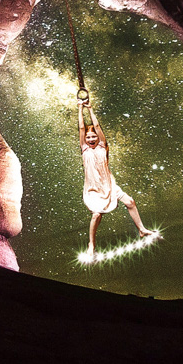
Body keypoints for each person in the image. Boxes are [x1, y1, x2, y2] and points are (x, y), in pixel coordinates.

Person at [77, 99, 153, 256]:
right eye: (88, 137)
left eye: (93, 137)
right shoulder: (85, 149)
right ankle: (91, 244)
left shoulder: (102, 147)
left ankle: (142, 230)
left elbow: (96, 126)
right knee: (96, 215)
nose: (91, 139)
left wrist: (90, 109)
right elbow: (81, 127)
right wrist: (79, 108)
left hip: (108, 185)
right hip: (94, 189)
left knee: (130, 202)